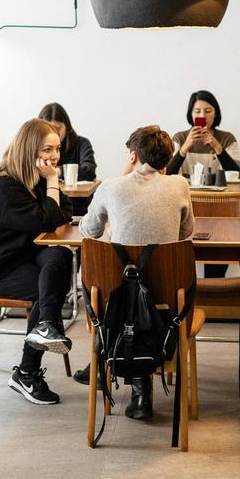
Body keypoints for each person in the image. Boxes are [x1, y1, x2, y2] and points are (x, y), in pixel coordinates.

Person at [77, 125, 194, 419]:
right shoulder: (180, 186)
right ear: (166, 160)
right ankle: (141, 391)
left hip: (116, 301)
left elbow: (88, 231)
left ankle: (106, 357)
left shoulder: (111, 186)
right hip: (167, 304)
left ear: (132, 155)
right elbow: (187, 233)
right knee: (148, 292)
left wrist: (122, 180)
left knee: (104, 287)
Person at [0, 119, 73, 405]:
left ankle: (46, 325)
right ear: (30, 150)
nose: (54, 155)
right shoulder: (4, 185)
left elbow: (65, 211)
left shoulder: (34, 178)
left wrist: (50, 185)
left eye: (57, 148)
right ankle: (27, 373)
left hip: (22, 253)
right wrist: (53, 181)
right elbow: (46, 218)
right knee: (49, 287)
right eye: (47, 149)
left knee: (60, 255)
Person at [166, 90, 240, 279]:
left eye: (208, 111)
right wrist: (185, 148)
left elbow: (236, 174)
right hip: (188, 205)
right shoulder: (180, 138)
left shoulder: (227, 138)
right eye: (197, 111)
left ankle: (213, 290)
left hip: (220, 206)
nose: (202, 116)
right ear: (190, 114)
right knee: (182, 254)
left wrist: (217, 146)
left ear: (216, 114)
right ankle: (187, 290)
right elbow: (167, 174)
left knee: (216, 255)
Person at [37, 102, 97, 215]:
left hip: (77, 207)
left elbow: (89, 170)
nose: (54, 156)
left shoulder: (81, 143)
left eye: (57, 128)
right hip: (45, 206)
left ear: (67, 126)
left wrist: (57, 171)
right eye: (47, 149)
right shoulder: (34, 148)